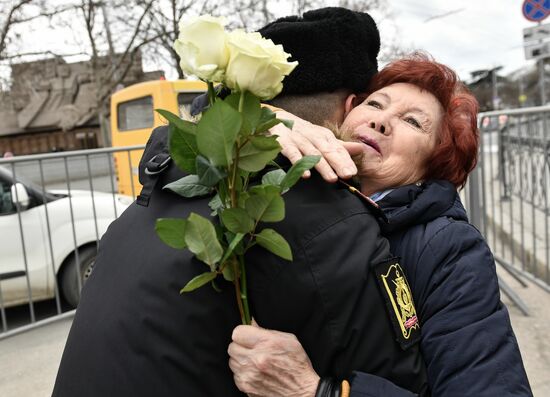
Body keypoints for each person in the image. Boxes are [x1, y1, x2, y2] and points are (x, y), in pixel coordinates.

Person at [52, 8, 428, 397]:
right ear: (350, 108)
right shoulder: (333, 222)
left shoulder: (160, 187)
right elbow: (400, 378)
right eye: (374, 106)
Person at [227, 54, 533, 396]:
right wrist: (265, 120)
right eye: (375, 104)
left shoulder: (450, 248)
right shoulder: (284, 185)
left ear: (433, 163)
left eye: (414, 122)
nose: (381, 121)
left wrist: (317, 391)